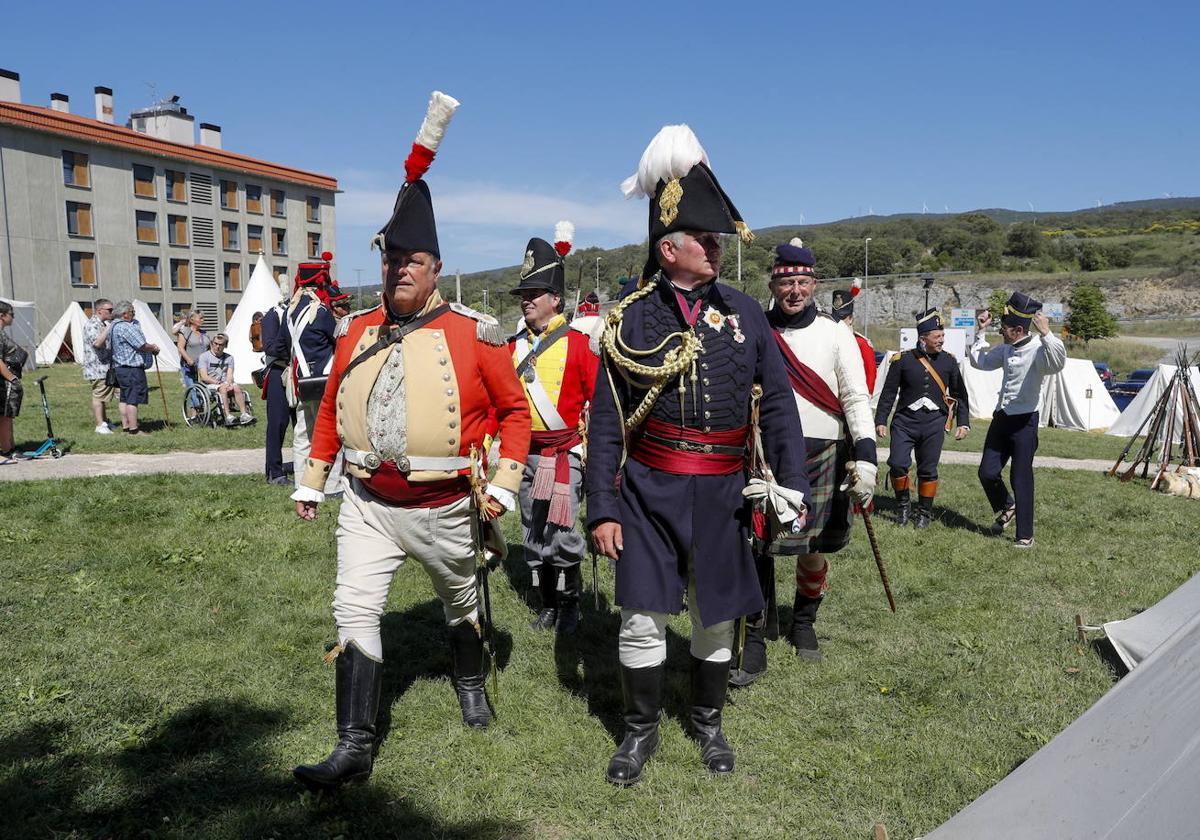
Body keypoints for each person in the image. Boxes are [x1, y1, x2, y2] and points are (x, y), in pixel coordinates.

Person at [290, 91, 530, 792]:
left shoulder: (474, 334)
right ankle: (353, 746)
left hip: (446, 507)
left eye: (412, 261)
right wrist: (314, 476)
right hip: (366, 502)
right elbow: (331, 405)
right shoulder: (355, 331)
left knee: (460, 603)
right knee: (354, 608)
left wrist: (507, 487)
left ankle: (468, 680)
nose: (398, 270)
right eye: (391, 258)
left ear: (434, 269)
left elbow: (515, 414)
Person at [586, 125, 808, 785]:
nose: (716, 249)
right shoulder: (630, 321)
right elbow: (605, 424)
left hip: (722, 493)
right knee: (643, 617)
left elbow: (778, 407)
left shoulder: (745, 313)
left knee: (717, 617)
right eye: (705, 241)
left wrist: (791, 486)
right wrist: (602, 507)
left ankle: (709, 723)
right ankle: (638, 731)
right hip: (649, 491)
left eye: (716, 239)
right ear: (669, 248)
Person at [729, 240, 877, 685]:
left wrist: (867, 456)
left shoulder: (836, 334)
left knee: (811, 548)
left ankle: (804, 622)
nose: (794, 290)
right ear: (773, 284)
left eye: (802, 282)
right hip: (762, 451)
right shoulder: (753, 327)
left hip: (823, 449)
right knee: (756, 546)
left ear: (813, 285)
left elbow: (854, 396)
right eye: (786, 282)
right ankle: (754, 635)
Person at [504, 222, 598, 635]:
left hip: (564, 455)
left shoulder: (578, 344)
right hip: (524, 454)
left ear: (555, 300)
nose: (526, 302)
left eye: (533, 295)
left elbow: (600, 401)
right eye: (523, 295)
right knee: (531, 531)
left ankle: (570, 604)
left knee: (563, 533)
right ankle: (547, 606)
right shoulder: (512, 347)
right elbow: (500, 404)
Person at [970, 293, 1066, 547]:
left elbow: (1058, 363)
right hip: (1002, 418)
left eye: (1004, 328)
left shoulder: (1040, 350)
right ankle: (1007, 505)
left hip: (1025, 422)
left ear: (1018, 329)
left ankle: (1025, 535)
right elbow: (979, 362)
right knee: (987, 472)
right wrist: (980, 333)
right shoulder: (1004, 348)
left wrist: (1047, 333)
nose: (1000, 330)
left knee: (1020, 477)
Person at [874, 309, 971, 528]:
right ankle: (903, 506)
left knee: (928, 469)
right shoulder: (902, 360)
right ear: (922, 338)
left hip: (934, 423)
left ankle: (924, 513)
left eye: (942, 336)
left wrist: (963, 422)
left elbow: (959, 395)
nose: (942, 341)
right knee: (898, 464)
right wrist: (880, 420)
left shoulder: (949, 362)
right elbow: (888, 393)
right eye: (937, 337)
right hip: (904, 422)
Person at [279, 253, 341, 493]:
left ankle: (301, 483)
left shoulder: (291, 312)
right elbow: (336, 339)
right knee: (329, 433)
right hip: (324, 380)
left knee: (303, 434)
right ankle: (332, 485)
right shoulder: (321, 312)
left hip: (302, 380)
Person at [260, 276, 295, 485]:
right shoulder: (273, 316)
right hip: (279, 372)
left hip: (299, 373)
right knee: (278, 424)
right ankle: (274, 471)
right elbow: (271, 347)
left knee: (302, 424)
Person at [108, 301, 159, 435]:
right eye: (132, 312)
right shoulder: (126, 327)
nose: (134, 314)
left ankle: (126, 427)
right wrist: (153, 348)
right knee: (133, 399)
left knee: (124, 398)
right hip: (131, 368)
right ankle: (134, 430)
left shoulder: (114, 326)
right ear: (125, 314)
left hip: (120, 367)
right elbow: (141, 345)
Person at [197, 333, 253, 425]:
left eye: (220, 344)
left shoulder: (229, 358)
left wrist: (228, 383)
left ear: (225, 345)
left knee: (236, 388)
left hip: (225, 382)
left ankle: (244, 414)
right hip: (209, 384)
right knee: (222, 389)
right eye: (215, 344)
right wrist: (219, 383)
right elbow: (204, 376)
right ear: (212, 343)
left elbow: (230, 374)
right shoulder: (204, 357)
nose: (217, 346)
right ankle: (228, 416)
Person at [830, 285, 877, 392]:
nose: (839, 322)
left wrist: (867, 397)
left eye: (843, 318)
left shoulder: (861, 343)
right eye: (836, 318)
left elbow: (870, 374)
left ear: (851, 319)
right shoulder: (827, 339)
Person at [81, 298, 118, 434]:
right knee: (98, 395)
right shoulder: (92, 325)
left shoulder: (102, 323)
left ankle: (104, 421)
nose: (111, 312)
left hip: (104, 366)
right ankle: (99, 425)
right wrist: (109, 329)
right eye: (109, 310)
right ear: (99, 310)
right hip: (96, 367)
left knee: (102, 396)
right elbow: (97, 343)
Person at [0, 300, 28, 462]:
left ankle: (10, 447)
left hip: (6, 382)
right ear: (2, 315)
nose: (13, 318)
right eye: (12, 314)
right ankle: (7, 450)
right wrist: (12, 378)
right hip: (4, 383)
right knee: (4, 416)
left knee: (7, 416)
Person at [176, 311, 209, 419]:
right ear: (192, 320)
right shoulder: (185, 331)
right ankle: (198, 410)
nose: (203, 320)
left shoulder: (204, 333)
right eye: (201, 318)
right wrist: (189, 359)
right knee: (193, 389)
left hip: (203, 367)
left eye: (203, 318)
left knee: (201, 389)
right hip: (189, 366)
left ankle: (196, 416)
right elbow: (180, 347)